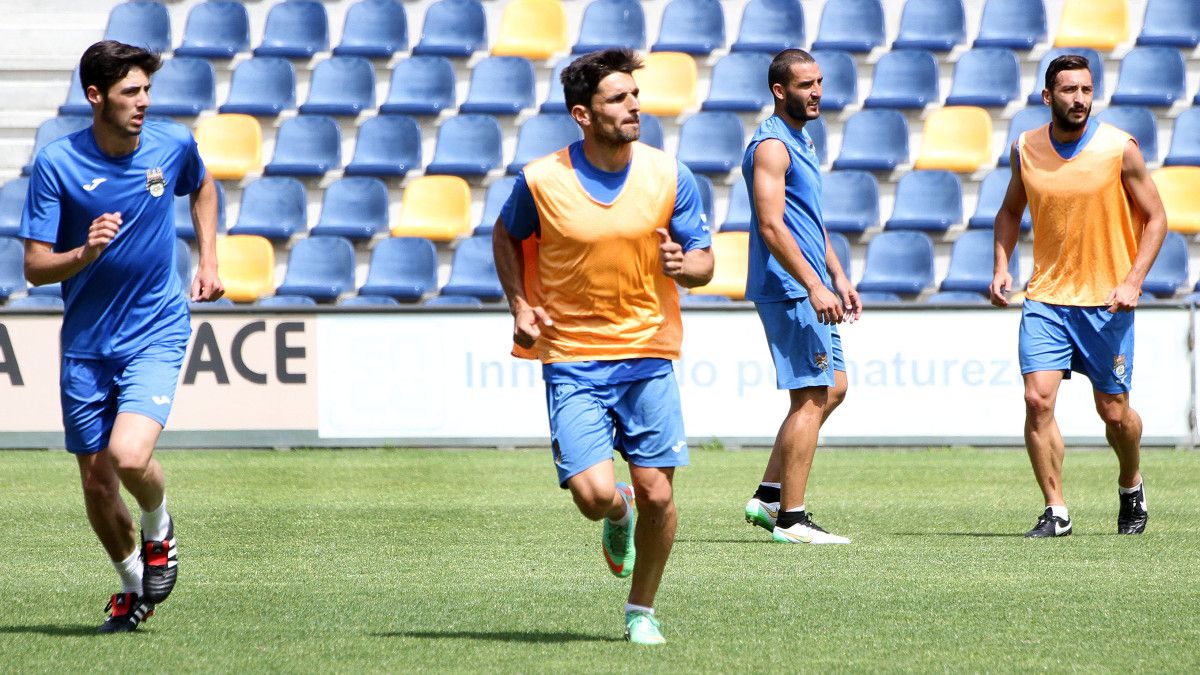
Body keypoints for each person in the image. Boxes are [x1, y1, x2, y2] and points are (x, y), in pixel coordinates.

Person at [492, 48, 713, 645]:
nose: (633, 107)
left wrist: (685, 266)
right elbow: (506, 235)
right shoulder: (541, 180)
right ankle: (615, 515)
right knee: (593, 497)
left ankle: (641, 611)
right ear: (583, 115)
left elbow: (704, 263)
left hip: (647, 352)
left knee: (659, 493)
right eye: (618, 99)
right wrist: (519, 304)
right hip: (572, 356)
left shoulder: (670, 175)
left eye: (634, 96)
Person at [19, 40, 224, 631]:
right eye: (130, 92)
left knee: (128, 455)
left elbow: (204, 187)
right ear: (95, 97)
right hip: (86, 344)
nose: (143, 103)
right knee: (96, 481)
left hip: (156, 327)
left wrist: (209, 259)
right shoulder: (57, 164)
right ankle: (135, 585)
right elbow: (35, 266)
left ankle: (160, 531)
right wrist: (85, 251)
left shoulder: (171, 144)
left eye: (147, 91)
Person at [990, 54, 1166, 538]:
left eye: (1086, 90)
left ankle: (1131, 481)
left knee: (1114, 413)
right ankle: (1056, 510)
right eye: (1069, 91)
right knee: (1037, 399)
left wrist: (1133, 281)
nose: (1079, 99)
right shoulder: (1025, 147)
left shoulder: (1119, 148)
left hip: (1107, 301)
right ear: (1048, 97)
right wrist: (1002, 266)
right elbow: (1009, 211)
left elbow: (1157, 218)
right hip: (1046, 297)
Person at [740, 49, 861, 545]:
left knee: (833, 387)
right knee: (811, 393)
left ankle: (769, 494)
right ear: (779, 90)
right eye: (806, 84)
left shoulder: (802, 140)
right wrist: (813, 285)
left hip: (811, 284)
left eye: (819, 83)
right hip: (790, 288)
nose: (816, 92)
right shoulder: (771, 145)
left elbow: (810, 220)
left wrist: (838, 276)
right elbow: (771, 226)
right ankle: (792, 518)